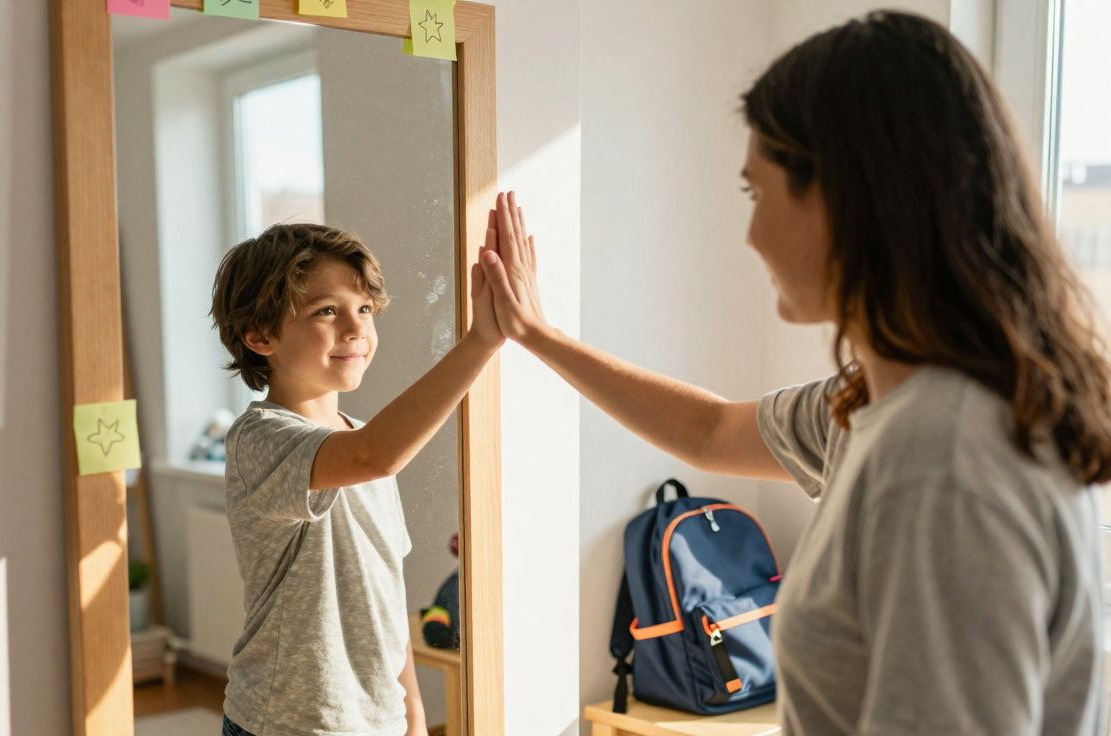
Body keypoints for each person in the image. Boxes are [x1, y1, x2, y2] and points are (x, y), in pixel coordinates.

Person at [480, 11, 1110, 734]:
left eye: (757, 192)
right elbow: (710, 429)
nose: (749, 234)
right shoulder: (877, 405)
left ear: (850, 196)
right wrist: (535, 334)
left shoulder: (942, 453)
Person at [209, 223, 502, 736]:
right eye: (327, 310)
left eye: (364, 309)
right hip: (286, 723)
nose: (355, 329)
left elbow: (382, 590)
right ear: (260, 335)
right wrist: (479, 342)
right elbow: (375, 456)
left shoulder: (365, 441)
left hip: (376, 721)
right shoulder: (259, 439)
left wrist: (409, 707)